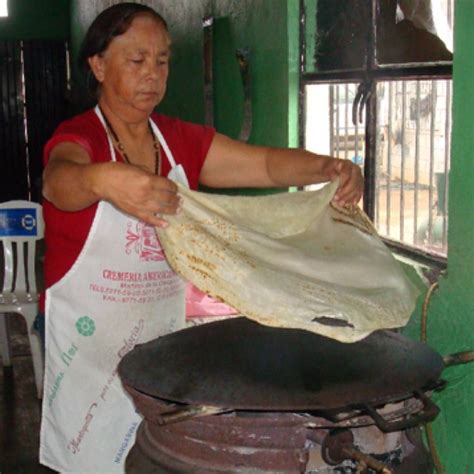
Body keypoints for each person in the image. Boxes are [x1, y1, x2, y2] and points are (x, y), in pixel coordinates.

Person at [38, 3, 363, 472]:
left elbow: (266, 164)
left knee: (161, 457)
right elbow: (58, 182)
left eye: (163, 60)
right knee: (91, 456)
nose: (153, 73)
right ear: (98, 64)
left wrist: (327, 167)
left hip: (160, 345)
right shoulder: (79, 136)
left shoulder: (178, 141)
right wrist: (102, 180)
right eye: (137, 60)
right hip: (87, 351)